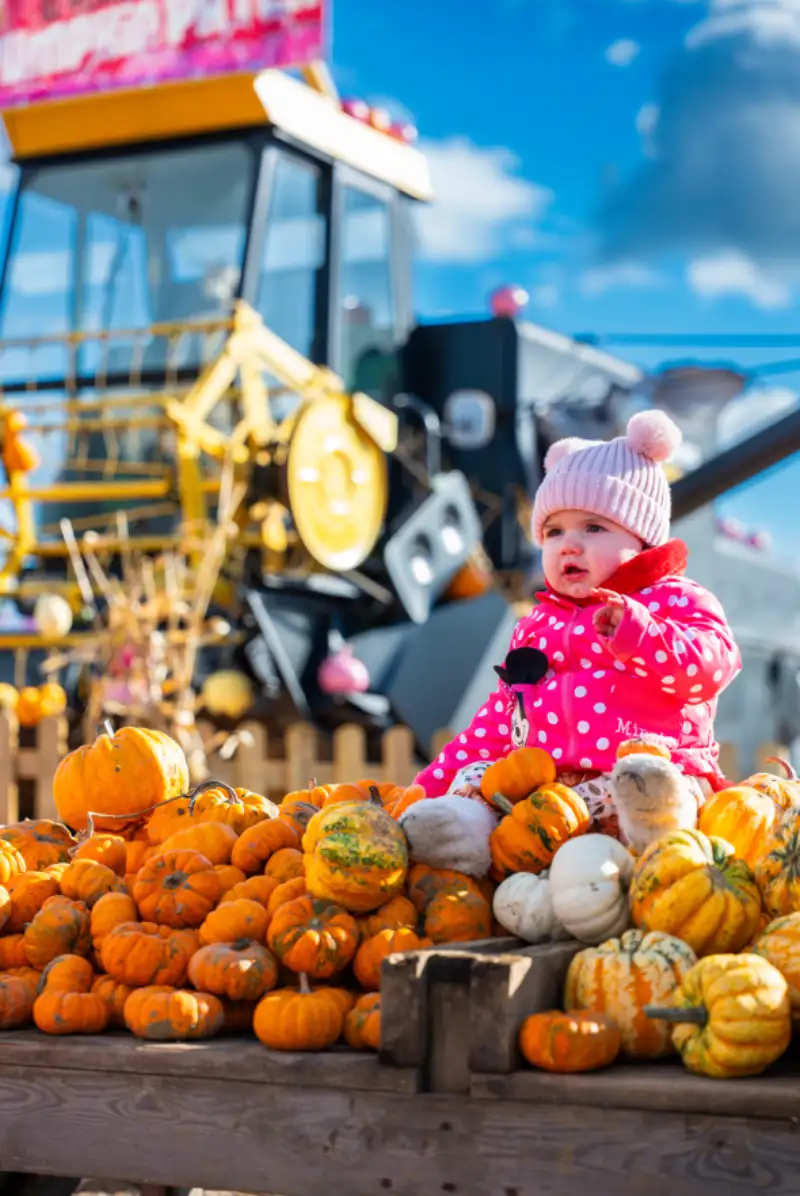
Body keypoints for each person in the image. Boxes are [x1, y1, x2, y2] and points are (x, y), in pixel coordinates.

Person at [401, 409, 741, 870]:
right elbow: (500, 720)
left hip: (648, 774)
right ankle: (461, 833)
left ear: (640, 538)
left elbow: (711, 670)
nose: (569, 545)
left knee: (636, 786)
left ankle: (657, 841)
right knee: (480, 775)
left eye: (593, 528)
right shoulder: (537, 626)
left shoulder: (672, 600)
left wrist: (640, 634)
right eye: (554, 532)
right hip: (554, 795)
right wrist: (425, 788)